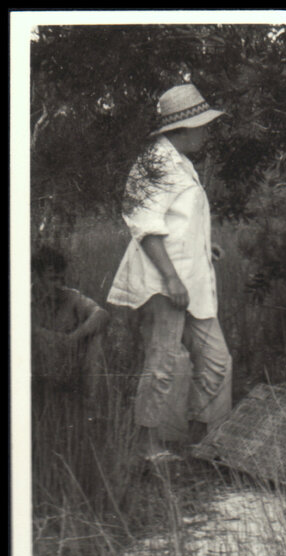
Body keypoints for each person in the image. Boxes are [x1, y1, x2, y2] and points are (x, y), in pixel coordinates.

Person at [107, 83, 233, 463]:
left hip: (192, 280)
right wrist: (172, 279)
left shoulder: (182, 161)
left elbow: (176, 221)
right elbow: (144, 226)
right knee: (162, 361)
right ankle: (147, 447)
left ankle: (197, 439)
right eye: (203, 125)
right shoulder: (153, 163)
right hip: (166, 282)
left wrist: (201, 244)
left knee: (216, 360)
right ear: (185, 126)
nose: (207, 132)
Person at [31, 245, 110, 403]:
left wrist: (73, 338)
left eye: (62, 279)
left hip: (65, 363)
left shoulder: (69, 296)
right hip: (34, 367)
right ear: (35, 277)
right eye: (53, 279)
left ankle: (90, 405)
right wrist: (45, 335)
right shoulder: (20, 299)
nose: (59, 284)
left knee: (96, 338)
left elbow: (102, 314)